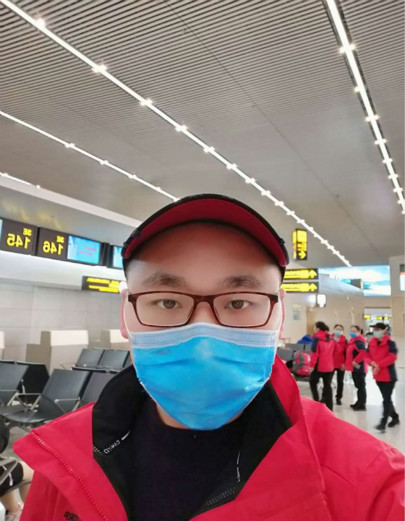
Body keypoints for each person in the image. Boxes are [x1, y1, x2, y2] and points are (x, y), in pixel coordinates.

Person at [14, 195, 404, 521]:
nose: (203, 335)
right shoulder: (65, 460)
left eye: (238, 302)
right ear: (126, 314)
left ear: (279, 313)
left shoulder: (371, 487)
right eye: (167, 302)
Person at [367, 322, 400, 433]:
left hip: (389, 376)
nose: (375, 332)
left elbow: (392, 357)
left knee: (386, 399)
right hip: (377, 376)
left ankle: (383, 422)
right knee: (387, 398)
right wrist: (372, 363)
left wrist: (378, 365)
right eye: (374, 330)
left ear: (384, 331)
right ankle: (395, 417)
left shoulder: (390, 343)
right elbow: (366, 355)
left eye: (377, 329)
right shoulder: (371, 343)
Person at [308, 321, 334, 411]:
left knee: (312, 382)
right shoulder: (331, 338)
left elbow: (314, 353)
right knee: (327, 386)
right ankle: (330, 407)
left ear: (318, 328)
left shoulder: (317, 339)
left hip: (319, 366)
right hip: (329, 366)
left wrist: (311, 366)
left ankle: (316, 403)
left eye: (314, 328)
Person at [346, 325, 367, 411]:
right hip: (355, 368)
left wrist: (356, 361)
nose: (352, 333)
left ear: (359, 332)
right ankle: (359, 402)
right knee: (358, 386)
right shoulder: (353, 341)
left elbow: (363, 352)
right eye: (351, 331)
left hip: (359, 368)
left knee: (361, 386)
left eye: (354, 331)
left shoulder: (359, 341)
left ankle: (362, 404)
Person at [330, 324, 347, 405]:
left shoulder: (344, 340)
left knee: (340, 382)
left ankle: (338, 398)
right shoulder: (329, 339)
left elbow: (346, 353)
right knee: (328, 381)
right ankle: (326, 396)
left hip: (341, 364)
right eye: (337, 329)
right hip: (330, 363)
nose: (338, 330)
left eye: (340, 329)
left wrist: (345, 363)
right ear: (334, 329)